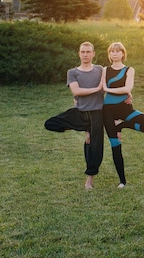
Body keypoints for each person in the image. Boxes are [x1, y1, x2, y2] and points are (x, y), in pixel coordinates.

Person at [44, 42, 105, 190]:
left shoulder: (100, 70)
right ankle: (84, 127)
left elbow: (112, 86)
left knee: (94, 148)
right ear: (79, 53)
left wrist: (128, 95)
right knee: (50, 123)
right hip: (79, 111)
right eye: (83, 52)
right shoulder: (73, 72)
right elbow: (76, 92)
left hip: (97, 113)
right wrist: (97, 89)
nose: (85, 54)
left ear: (93, 54)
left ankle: (89, 179)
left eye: (88, 52)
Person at [102, 42, 144, 188]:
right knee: (115, 145)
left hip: (125, 108)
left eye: (117, 51)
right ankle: (122, 181)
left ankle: (121, 125)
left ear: (123, 54)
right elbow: (101, 88)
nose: (114, 53)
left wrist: (109, 89)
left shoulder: (129, 70)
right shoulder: (104, 70)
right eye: (112, 51)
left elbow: (127, 87)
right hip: (107, 110)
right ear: (109, 54)